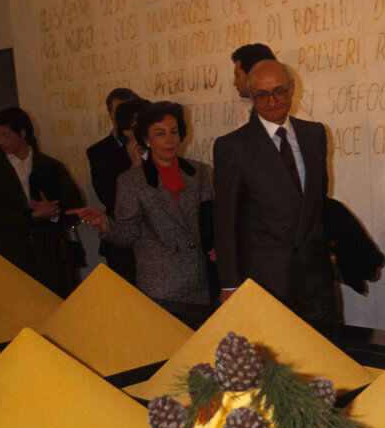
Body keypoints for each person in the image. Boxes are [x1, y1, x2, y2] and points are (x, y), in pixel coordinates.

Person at [213, 59, 337, 324]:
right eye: (262, 95)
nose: (272, 101)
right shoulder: (233, 147)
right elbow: (225, 222)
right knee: (274, 364)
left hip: (316, 280)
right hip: (264, 282)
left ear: (292, 89)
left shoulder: (315, 134)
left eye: (279, 91)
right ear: (251, 96)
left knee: (323, 357)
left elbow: (317, 202)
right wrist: (230, 284)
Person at [71, 101, 214, 306]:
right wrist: (105, 223)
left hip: (200, 280)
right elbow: (129, 232)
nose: (169, 140)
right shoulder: (131, 180)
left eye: (174, 132)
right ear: (146, 139)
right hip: (160, 283)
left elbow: (209, 219)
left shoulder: (198, 171)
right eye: (159, 133)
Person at [0, 107, 84, 297]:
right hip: (11, 252)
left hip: (48, 252)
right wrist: (32, 215)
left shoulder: (50, 165)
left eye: (6, 136)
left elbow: (73, 203)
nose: (1, 142)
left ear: (22, 133)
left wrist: (54, 213)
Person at [87, 87, 139, 283]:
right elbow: (108, 195)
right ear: (110, 114)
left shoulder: (150, 147)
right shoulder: (98, 152)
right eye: (120, 111)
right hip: (118, 236)